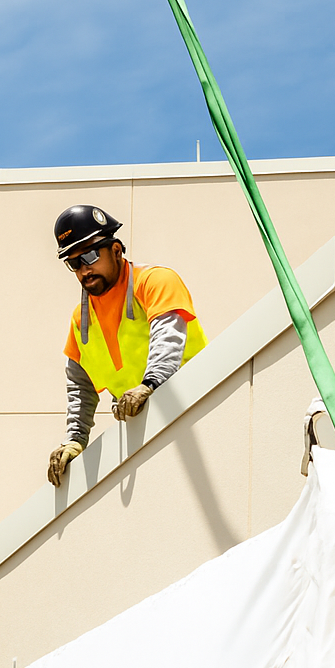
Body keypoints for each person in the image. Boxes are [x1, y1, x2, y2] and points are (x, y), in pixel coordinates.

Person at [47, 204, 207, 487]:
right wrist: (74, 441)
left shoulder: (155, 281)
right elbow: (80, 387)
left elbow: (167, 337)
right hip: (145, 431)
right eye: (74, 263)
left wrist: (150, 385)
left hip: (201, 408)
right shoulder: (81, 320)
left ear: (117, 251)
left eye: (91, 255)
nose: (84, 269)